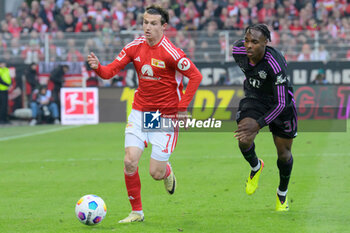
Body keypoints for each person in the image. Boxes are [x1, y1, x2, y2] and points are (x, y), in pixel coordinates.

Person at [87, 5, 202, 223]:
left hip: (165, 116)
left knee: (155, 173)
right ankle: (137, 212)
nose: (147, 27)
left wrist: (182, 107)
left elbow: (195, 76)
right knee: (130, 161)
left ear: (163, 26)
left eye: (153, 23)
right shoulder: (135, 47)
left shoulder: (171, 53)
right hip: (140, 111)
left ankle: (166, 171)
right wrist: (97, 68)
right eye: (145, 22)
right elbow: (109, 71)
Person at [232, 24, 297, 211]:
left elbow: (281, 103)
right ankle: (255, 166)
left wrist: (259, 125)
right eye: (246, 40)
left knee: (284, 155)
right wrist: (253, 125)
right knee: (244, 138)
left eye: (254, 42)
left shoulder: (275, 63)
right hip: (255, 99)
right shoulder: (238, 50)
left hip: (280, 103)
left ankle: (282, 194)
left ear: (266, 43)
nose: (248, 45)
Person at [0, 60, 12, 124]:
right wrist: (7, 85)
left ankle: (5, 119)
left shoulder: (6, 70)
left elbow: (9, 78)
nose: (3, 65)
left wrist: (10, 84)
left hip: (5, 89)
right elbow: (0, 80)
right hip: (1, 90)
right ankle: (1, 119)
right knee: (2, 105)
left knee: (5, 105)